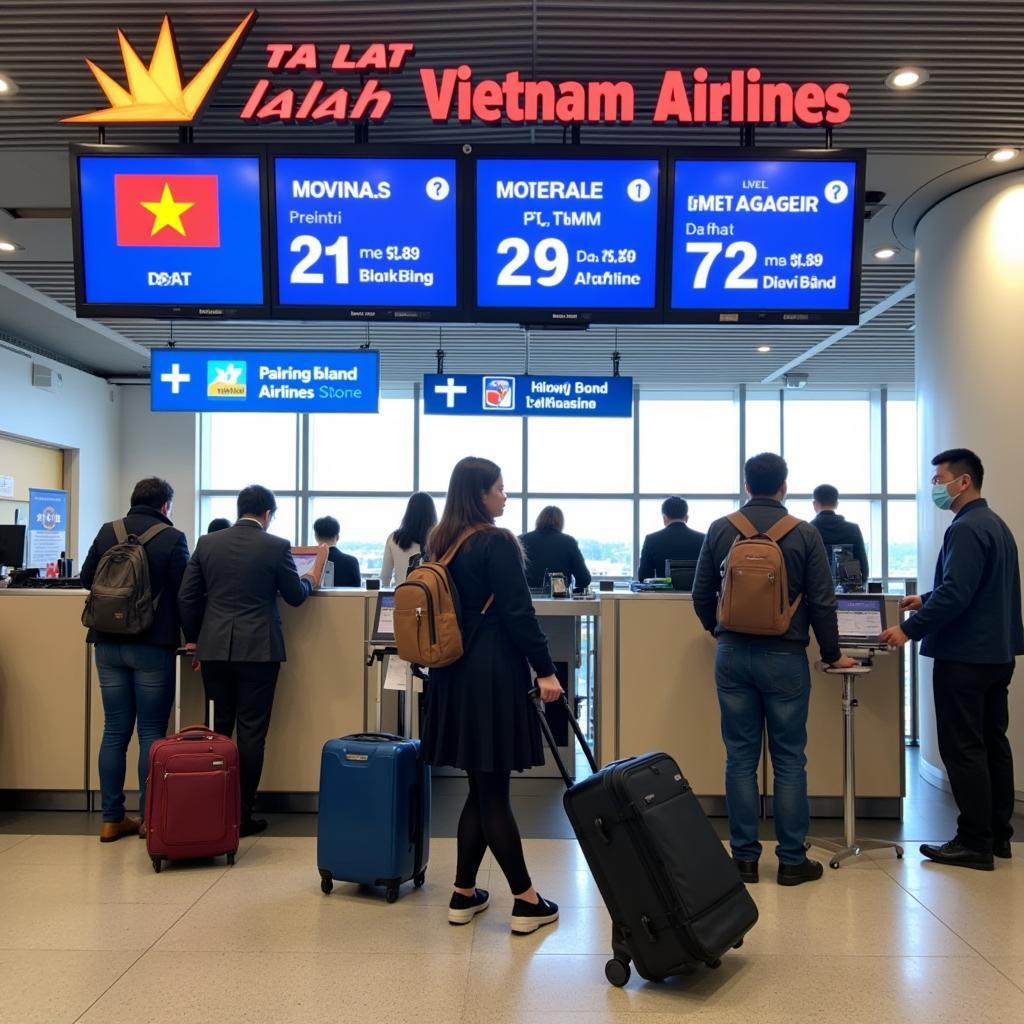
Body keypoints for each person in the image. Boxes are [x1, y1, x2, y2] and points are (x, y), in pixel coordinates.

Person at [692, 453, 857, 886]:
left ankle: (744, 860)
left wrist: (719, 629)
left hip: (732, 655)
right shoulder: (804, 533)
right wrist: (833, 651)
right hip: (785, 655)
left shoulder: (720, 528)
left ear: (747, 485)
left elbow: (700, 593)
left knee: (740, 757)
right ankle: (790, 861)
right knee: (788, 759)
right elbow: (823, 600)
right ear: (784, 487)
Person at [420, 456, 563, 934]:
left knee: (480, 787)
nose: (505, 496)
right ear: (480, 494)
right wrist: (546, 670)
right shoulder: (495, 543)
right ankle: (526, 900)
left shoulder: (440, 543)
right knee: (494, 791)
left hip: (452, 676)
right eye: (500, 489)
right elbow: (520, 615)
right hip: (492, 676)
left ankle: (463, 894)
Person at [880, 449, 1023, 870]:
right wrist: (926, 597)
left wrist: (909, 628)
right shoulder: (995, 525)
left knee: (964, 749)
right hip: (997, 654)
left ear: (963, 482)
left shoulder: (965, 529)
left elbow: (958, 593)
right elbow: (976, 586)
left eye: (939, 479)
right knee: (993, 743)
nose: (934, 488)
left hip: (965, 656)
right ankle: (998, 836)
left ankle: (973, 842)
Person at [178, 484, 326, 837]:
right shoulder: (276, 547)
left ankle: (213, 808)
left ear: (240, 508)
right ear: (268, 513)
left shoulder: (207, 543)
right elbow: (294, 597)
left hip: (214, 650)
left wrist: (195, 639)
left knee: (217, 731)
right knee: (251, 733)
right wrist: (309, 578)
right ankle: (242, 816)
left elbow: (187, 596)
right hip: (259, 651)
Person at [80, 477, 189, 843]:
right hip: (151, 645)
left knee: (114, 731)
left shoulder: (107, 531)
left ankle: (111, 819)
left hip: (106, 643)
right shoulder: (173, 539)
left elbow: (85, 578)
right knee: (151, 733)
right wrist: (193, 638)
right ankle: (148, 819)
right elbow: (184, 593)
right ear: (165, 506)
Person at [520, 505, 592, 593]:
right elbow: (584, 579)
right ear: (561, 522)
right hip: (559, 599)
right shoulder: (568, 542)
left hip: (527, 599)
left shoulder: (521, 540)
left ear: (539, 519)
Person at [810, 484, 870, 582]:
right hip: (849, 591)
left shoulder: (808, 529)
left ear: (814, 504)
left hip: (818, 590)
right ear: (836, 503)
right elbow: (864, 568)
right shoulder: (853, 529)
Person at [637, 496, 705, 580]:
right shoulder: (703, 539)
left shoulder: (651, 539)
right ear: (686, 518)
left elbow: (643, 577)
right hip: (694, 593)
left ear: (664, 518)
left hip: (662, 593)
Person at [381, 491, 437, 586]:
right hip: (431, 597)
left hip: (402, 595)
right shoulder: (438, 539)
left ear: (409, 511)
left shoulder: (394, 538)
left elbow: (385, 576)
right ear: (432, 513)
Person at [313, 515, 361, 587]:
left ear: (316, 537)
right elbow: (358, 592)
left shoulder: (308, 561)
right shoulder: (351, 562)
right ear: (338, 537)